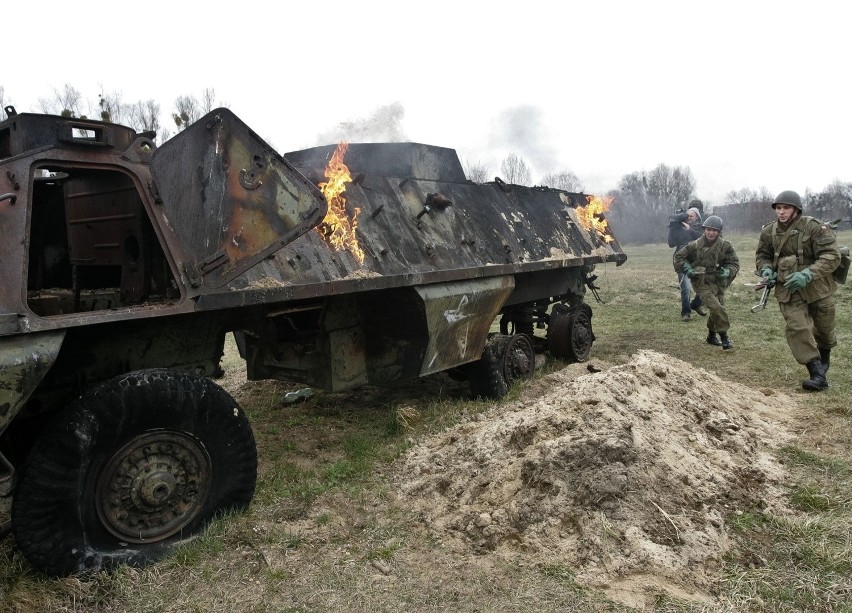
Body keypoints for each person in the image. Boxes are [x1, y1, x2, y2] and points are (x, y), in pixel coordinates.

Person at [755, 190, 840, 391]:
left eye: (786, 208)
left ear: (796, 209)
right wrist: (766, 269)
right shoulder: (769, 232)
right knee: (797, 327)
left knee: (824, 330)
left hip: (817, 287)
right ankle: (817, 373)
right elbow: (762, 256)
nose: (781, 212)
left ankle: (824, 358)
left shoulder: (814, 227)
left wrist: (808, 274)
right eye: (778, 208)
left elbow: (831, 256)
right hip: (787, 289)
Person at [674, 215, 740, 349]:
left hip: (718, 282)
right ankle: (724, 336)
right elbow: (679, 257)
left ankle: (711, 336)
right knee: (717, 308)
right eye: (708, 229)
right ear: (704, 230)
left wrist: (727, 271)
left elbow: (734, 263)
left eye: (714, 230)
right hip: (701, 281)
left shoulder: (725, 246)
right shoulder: (695, 245)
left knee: (716, 308)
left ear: (719, 232)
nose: (711, 233)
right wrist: (687, 268)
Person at [668, 203, 707, 321]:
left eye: (692, 216)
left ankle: (696, 304)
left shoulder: (702, 228)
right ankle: (686, 313)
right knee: (685, 287)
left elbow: (705, 239)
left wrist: (690, 230)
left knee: (705, 285)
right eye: (687, 215)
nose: (688, 218)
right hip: (682, 261)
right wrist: (673, 228)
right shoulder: (679, 227)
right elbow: (671, 244)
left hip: (697, 261)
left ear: (697, 218)